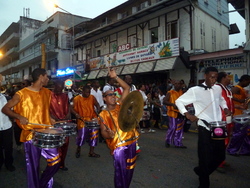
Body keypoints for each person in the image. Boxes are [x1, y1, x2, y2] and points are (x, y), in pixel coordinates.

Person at [2, 68, 60, 188]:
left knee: (55, 161)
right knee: (33, 167)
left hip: (46, 132)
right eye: (46, 76)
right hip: (31, 135)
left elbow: (45, 110)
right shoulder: (21, 94)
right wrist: (19, 116)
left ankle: (42, 183)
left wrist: (50, 118)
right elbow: (5, 109)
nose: (48, 79)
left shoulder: (47, 93)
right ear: (41, 77)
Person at [175, 67, 231, 188]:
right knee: (204, 157)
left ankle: (202, 172)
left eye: (216, 77)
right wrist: (187, 114)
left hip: (218, 127)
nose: (214, 79)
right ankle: (204, 183)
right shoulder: (195, 90)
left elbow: (221, 100)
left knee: (221, 155)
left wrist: (225, 107)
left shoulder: (217, 88)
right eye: (211, 76)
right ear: (205, 76)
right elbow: (179, 101)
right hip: (204, 127)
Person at [99, 67, 139, 188]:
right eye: (109, 95)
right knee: (120, 172)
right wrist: (109, 135)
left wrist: (115, 77)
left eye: (114, 94)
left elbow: (126, 88)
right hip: (119, 147)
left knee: (130, 169)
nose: (113, 96)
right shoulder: (103, 114)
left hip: (131, 142)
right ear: (104, 99)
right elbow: (103, 132)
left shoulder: (120, 105)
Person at [73, 85, 101, 158]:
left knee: (94, 135)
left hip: (92, 118)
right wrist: (76, 114)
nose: (88, 94)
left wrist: (98, 110)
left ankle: (91, 152)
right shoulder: (77, 99)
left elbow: (97, 104)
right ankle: (78, 149)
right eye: (86, 92)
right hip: (82, 120)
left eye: (89, 92)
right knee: (81, 136)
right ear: (82, 92)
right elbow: (70, 108)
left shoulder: (92, 97)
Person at [50, 79, 71, 171]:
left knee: (65, 144)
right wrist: (52, 117)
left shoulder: (65, 95)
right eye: (58, 88)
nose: (59, 90)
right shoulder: (48, 95)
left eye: (61, 89)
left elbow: (68, 106)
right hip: (54, 123)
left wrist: (68, 114)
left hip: (65, 123)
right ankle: (54, 164)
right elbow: (45, 109)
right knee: (55, 145)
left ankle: (62, 164)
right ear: (54, 86)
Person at [216, 72, 234, 172]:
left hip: (227, 119)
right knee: (220, 141)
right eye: (227, 76)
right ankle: (217, 162)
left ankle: (221, 160)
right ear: (223, 78)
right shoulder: (218, 88)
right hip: (221, 120)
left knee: (226, 140)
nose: (229, 78)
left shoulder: (226, 88)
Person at [164, 80, 186, 148]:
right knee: (173, 127)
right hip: (172, 113)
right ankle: (168, 140)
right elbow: (164, 101)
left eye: (179, 84)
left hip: (180, 112)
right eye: (176, 84)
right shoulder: (170, 92)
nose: (177, 85)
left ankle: (178, 143)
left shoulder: (182, 92)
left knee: (179, 128)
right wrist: (172, 104)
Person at [0, 93, 15, 172]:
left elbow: (11, 110)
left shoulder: (7, 97)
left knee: (8, 147)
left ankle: (9, 164)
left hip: (7, 127)